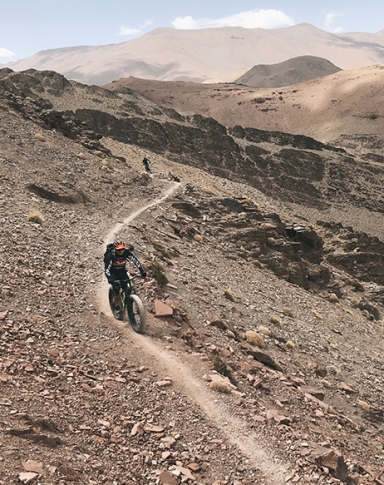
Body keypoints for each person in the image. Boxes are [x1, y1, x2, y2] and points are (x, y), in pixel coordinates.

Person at [104, 240, 147, 308]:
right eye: (119, 250)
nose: (121, 251)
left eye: (122, 249)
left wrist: (141, 271)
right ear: (115, 249)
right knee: (116, 288)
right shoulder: (110, 256)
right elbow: (107, 270)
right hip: (113, 274)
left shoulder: (126, 253)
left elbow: (135, 261)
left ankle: (130, 303)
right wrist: (110, 279)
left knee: (128, 288)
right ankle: (117, 305)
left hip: (122, 272)